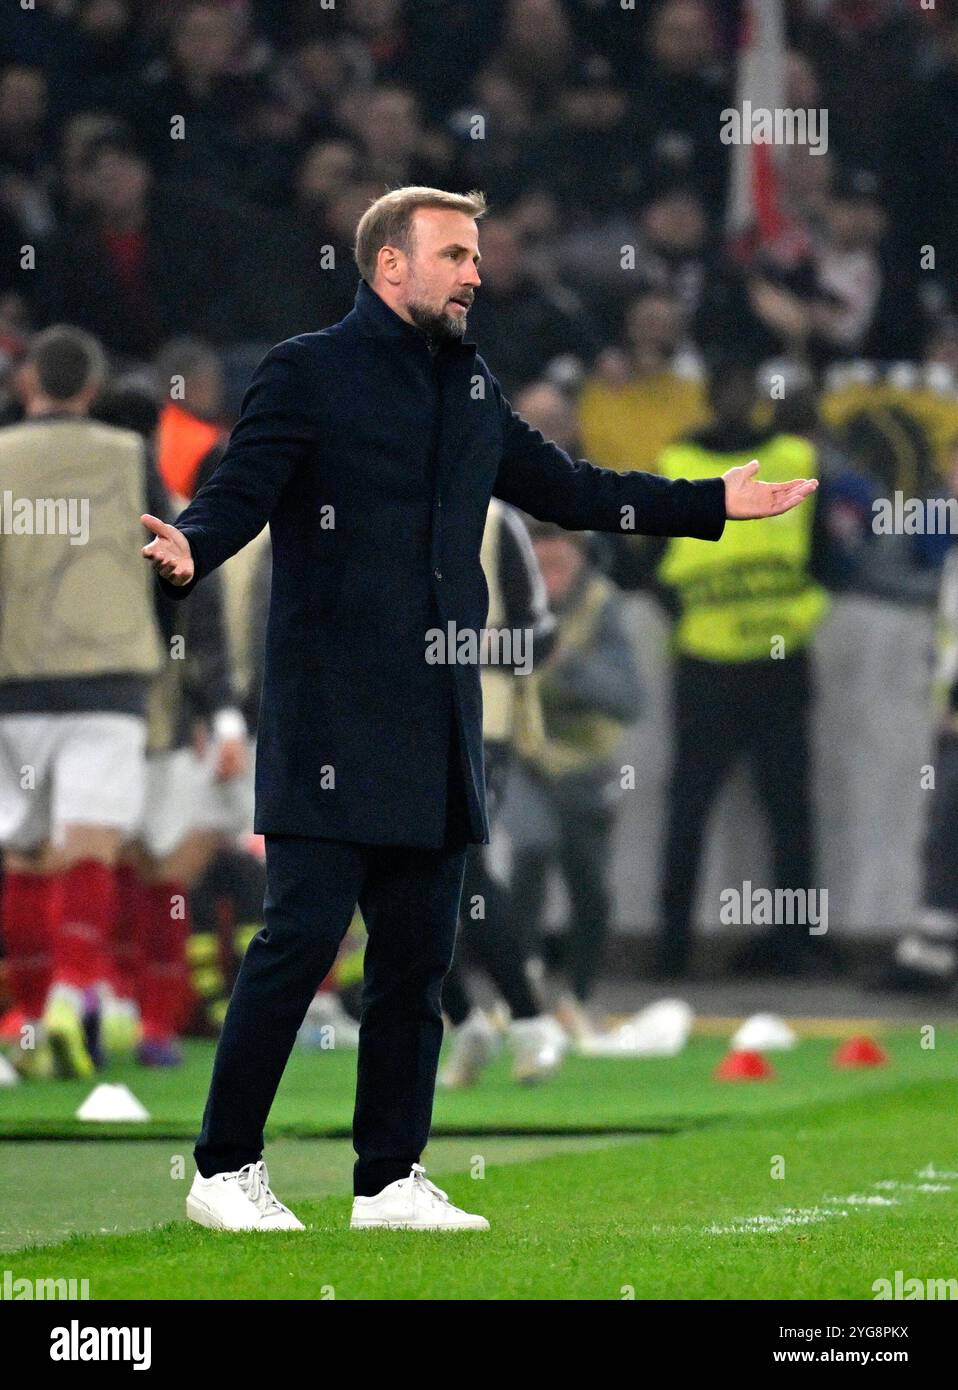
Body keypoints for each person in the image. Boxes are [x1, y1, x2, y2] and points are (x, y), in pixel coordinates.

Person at [140, 185, 817, 1233]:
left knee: (417, 957)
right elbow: (240, 491)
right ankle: (224, 1169)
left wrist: (709, 504)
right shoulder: (305, 368)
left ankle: (388, 1179)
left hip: (438, 712)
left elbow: (571, 489)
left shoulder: (468, 384)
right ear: (389, 266)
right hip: (328, 712)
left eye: (475, 256)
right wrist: (194, 548)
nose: (475, 273)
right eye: (455, 254)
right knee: (301, 937)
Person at [0, 326, 165, 1079]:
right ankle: (72, 993)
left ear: (28, 383)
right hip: (108, 680)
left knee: (24, 851)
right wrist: (163, 651)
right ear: (94, 390)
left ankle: (29, 1022)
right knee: (91, 845)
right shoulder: (131, 458)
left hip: (13, 684)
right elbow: (174, 561)